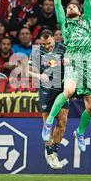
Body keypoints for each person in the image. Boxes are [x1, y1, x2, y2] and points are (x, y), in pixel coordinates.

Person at [42, 0, 91, 152]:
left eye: (74, 6)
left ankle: (80, 132)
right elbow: (57, 2)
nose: (71, 7)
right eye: (69, 7)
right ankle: (49, 122)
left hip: (88, 65)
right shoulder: (65, 24)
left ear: (80, 11)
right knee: (68, 91)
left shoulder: (87, 20)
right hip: (73, 61)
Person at [28, 30, 68, 170]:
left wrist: (69, 63)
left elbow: (72, 65)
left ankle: (55, 151)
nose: (46, 46)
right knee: (47, 123)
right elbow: (28, 70)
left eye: (49, 43)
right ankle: (50, 152)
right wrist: (38, 76)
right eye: (43, 44)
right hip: (45, 90)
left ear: (54, 39)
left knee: (62, 121)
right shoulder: (37, 51)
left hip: (61, 89)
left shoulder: (63, 48)